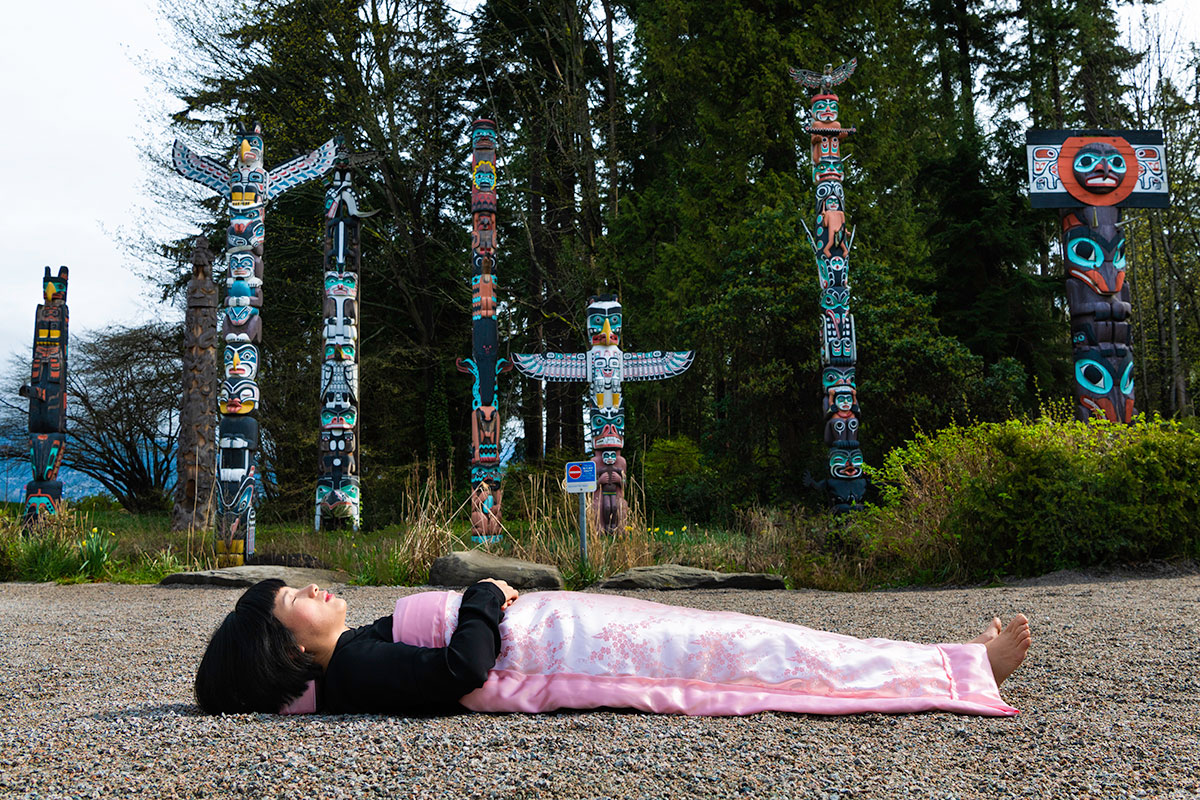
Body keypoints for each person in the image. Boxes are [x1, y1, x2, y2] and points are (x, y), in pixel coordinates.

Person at [195, 578, 1031, 718]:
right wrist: (484, 597)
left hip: (580, 633)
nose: (312, 590)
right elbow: (460, 671)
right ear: (289, 648)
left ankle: (943, 660)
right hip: (577, 651)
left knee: (758, 640)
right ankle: (956, 668)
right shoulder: (354, 666)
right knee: (762, 656)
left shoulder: (357, 652)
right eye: (292, 602)